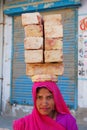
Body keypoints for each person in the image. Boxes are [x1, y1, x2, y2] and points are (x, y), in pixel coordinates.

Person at [13, 81, 78, 130]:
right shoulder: (24, 124)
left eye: (49, 97)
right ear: (35, 100)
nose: (44, 103)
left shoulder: (68, 121)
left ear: (56, 99)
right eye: (40, 97)